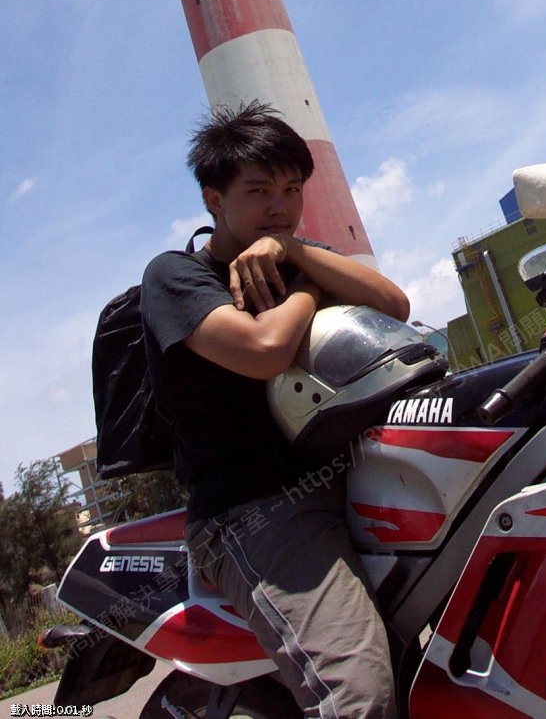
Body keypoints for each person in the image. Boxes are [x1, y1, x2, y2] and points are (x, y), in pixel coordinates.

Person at [141, 101, 409, 718]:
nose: (280, 205)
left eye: (292, 189)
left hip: (356, 478)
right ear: (214, 199)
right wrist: (311, 287)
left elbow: (394, 305)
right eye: (258, 190)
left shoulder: (294, 254)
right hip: (256, 509)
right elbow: (264, 351)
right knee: (358, 695)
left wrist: (295, 252)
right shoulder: (176, 276)